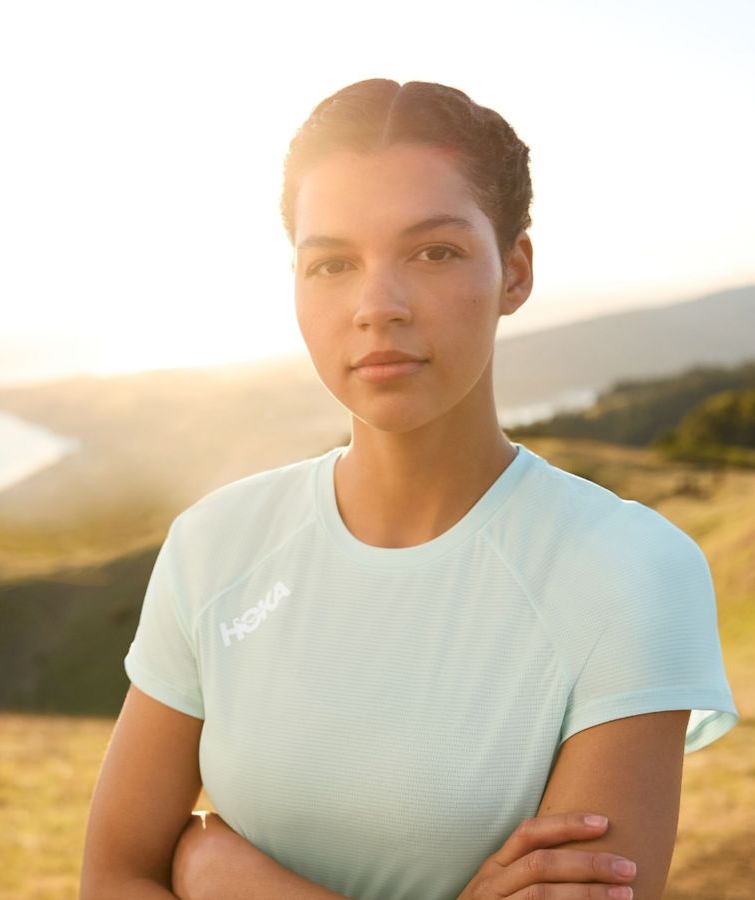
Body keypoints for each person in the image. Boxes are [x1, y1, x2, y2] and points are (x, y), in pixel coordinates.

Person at [79, 79, 739, 899]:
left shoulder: (632, 571)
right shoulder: (216, 546)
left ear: (515, 271)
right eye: (332, 263)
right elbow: (113, 877)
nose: (375, 307)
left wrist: (226, 876)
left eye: (433, 252)